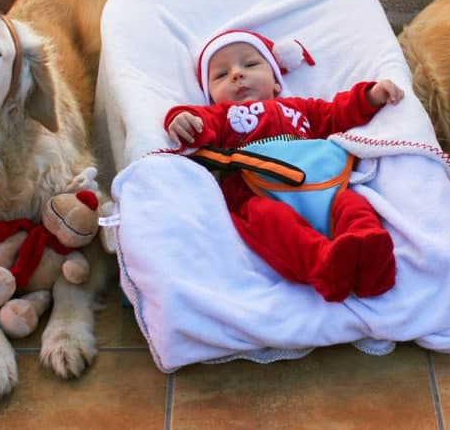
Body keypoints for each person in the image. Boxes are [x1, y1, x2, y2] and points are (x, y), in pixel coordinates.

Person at [165, 29, 403, 302]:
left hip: (322, 187)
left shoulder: (301, 109)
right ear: (212, 97)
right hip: (258, 188)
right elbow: (200, 123)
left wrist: (371, 96)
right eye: (221, 75)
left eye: (250, 64)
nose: (237, 74)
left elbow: (337, 113)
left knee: (353, 204)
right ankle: (322, 263)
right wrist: (182, 119)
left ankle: (370, 253)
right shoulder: (225, 116)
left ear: (276, 83)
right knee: (269, 220)